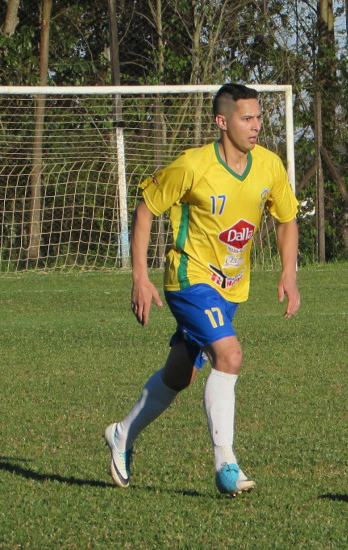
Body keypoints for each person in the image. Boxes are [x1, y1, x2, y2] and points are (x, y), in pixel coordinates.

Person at [104, 83, 300, 495]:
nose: (256, 126)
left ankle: (122, 433)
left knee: (179, 375)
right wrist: (139, 277)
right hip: (190, 278)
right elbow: (145, 210)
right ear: (221, 121)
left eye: (259, 117)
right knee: (229, 355)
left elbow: (286, 218)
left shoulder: (268, 166)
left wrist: (289, 272)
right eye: (247, 118)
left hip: (231, 289)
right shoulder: (193, 166)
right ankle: (225, 463)